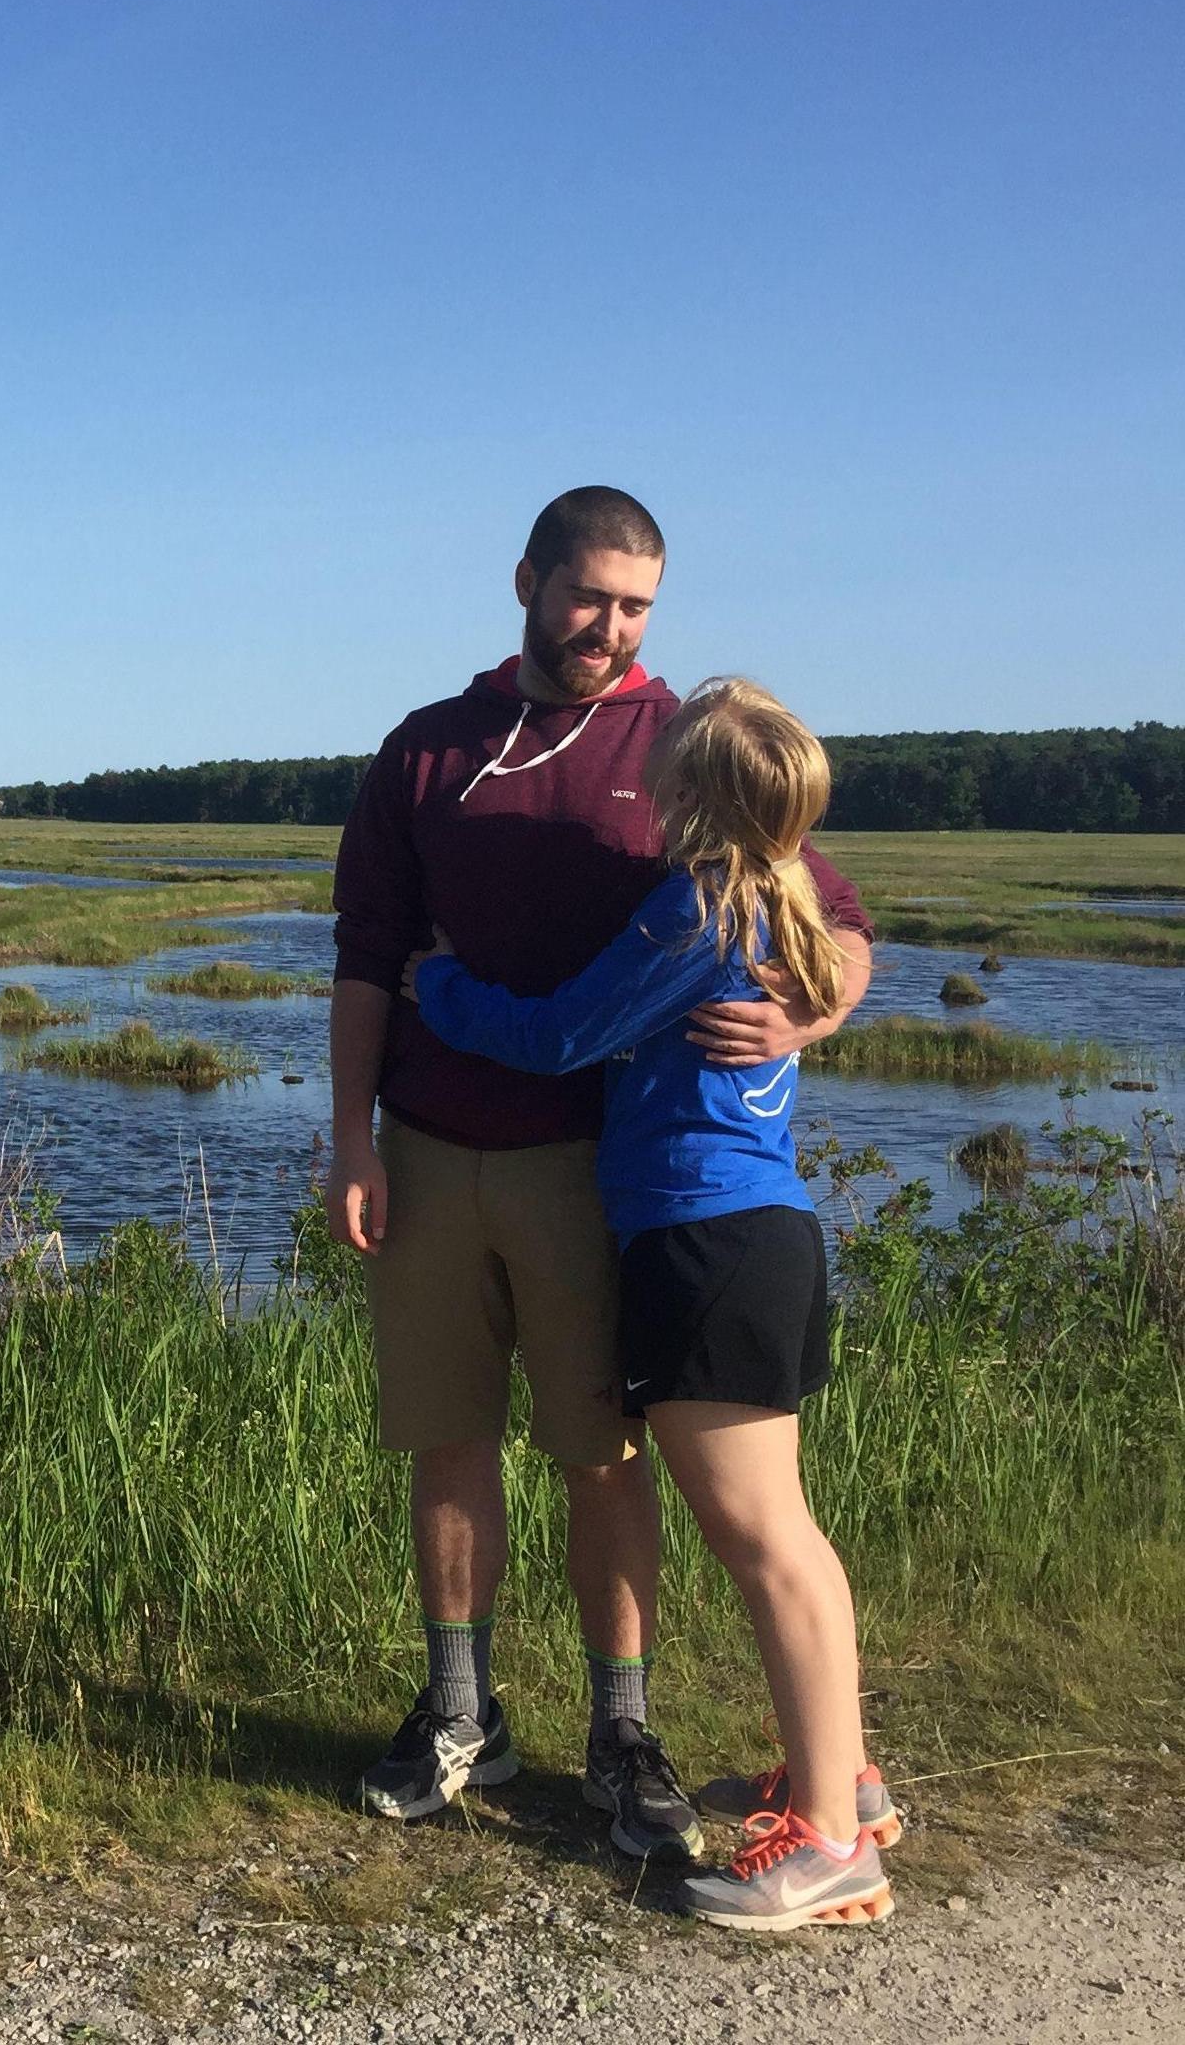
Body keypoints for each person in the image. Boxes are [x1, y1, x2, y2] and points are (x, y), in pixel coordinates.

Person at [328, 487, 874, 1862]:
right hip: (433, 1151)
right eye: (588, 599)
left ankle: (620, 1731)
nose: (610, 628)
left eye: (635, 606)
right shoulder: (425, 752)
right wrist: (348, 1135)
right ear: (526, 580)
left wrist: (803, 1018)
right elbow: (358, 956)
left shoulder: (692, 742)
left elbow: (829, 918)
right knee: (445, 1436)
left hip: (604, 1178)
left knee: (601, 1454)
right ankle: (459, 1710)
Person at [401, 677, 895, 1928]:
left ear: (689, 798)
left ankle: (830, 1841)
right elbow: (845, 958)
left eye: (667, 777)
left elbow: (564, 1034)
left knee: (765, 1540)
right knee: (787, 1532)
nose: (650, 794)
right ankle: (844, 1785)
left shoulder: (699, 906)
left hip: (702, 1236)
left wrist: (440, 987)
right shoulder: (781, 895)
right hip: (761, 1232)